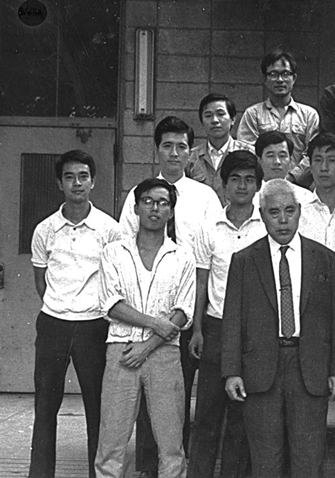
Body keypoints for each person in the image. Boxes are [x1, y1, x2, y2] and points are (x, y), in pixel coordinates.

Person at [221, 179, 335, 478]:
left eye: (289, 211)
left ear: (300, 212)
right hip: (261, 369)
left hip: (310, 368)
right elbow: (232, 319)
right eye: (274, 212)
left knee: (309, 458)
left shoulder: (324, 258)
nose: (282, 220)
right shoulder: (244, 260)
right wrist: (232, 371)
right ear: (262, 214)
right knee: (265, 460)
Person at [118, 116, 221, 477]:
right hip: (147, 312)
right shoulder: (139, 193)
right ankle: (148, 467)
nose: (174, 153)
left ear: (190, 151)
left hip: (189, 309)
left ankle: (176, 466)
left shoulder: (205, 196)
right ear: (156, 149)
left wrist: (196, 322)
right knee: (149, 398)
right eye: (167, 145)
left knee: (179, 396)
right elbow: (124, 252)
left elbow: (209, 258)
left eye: (181, 146)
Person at [29, 150, 121, 478]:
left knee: (98, 407)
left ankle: (101, 474)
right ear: (59, 183)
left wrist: (86, 308)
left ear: (93, 182)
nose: (77, 183)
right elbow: (41, 281)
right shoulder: (44, 230)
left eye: (83, 176)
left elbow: (114, 279)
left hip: (94, 326)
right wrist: (61, 305)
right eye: (69, 177)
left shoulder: (109, 229)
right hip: (54, 323)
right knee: (45, 406)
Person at [95, 178, 196, 478]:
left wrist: (146, 347)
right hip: (120, 352)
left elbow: (184, 311)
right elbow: (111, 304)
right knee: (112, 441)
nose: (155, 208)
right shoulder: (114, 252)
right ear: (136, 207)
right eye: (149, 201)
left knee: (171, 443)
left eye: (163, 203)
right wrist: (153, 324)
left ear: (171, 212)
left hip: (164, 356)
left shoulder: (182, 257)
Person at [187, 152, 267, 478]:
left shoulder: (267, 227)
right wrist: (196, 329)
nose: (242, 185)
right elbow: (202, 281)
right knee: (207, 413)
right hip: (216, 327)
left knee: (241, 418)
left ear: (258, 185)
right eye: (235, 179)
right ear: (224, 183)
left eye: (249, 179)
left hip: (254, 333)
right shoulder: (209, 228)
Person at [237, 49, 319, 185]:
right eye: (273, 74)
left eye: (285, 74)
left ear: (294, 78)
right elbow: (247, 152)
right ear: (265, 79)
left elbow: (312, 153)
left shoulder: (309, 115)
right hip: (261, 185)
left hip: (300, 185)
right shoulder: (253, 114)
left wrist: (291, 177)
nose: (280, 80)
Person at [185, 93, 253, 206]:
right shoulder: (191, 158)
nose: (215, 120)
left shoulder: (249, 154)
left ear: (233, 119)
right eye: (208, 115)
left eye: (220, 114)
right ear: (201, 121)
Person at [255, 130, 313, 204]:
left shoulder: (305, 197)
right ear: (259, 160)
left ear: (290, 160)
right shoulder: (251, 197)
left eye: (282, 156)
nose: (277, 162)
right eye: (270, 156)